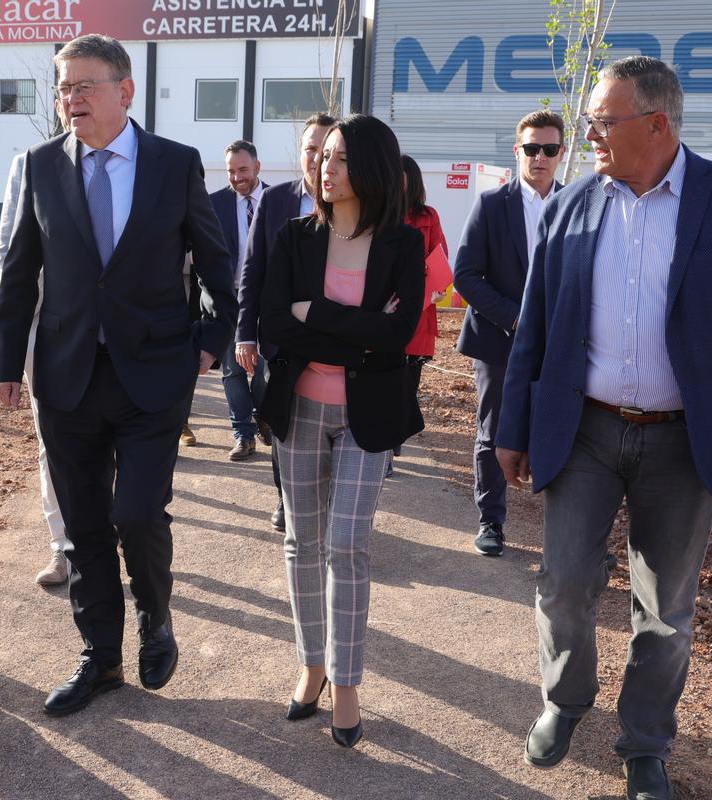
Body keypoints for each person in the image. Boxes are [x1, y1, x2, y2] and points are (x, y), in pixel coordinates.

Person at [496, 57, 712, 800]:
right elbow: (534, 332)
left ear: (658, 124)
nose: (590, 134)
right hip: (584, 432)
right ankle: (564, 701)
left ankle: (645, 742)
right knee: (564, 583)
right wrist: (510, 427)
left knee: (665, 610)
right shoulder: (573, 205)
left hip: (684, 439)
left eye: (604, 122)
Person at [0, 33, 235, 716]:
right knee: (83, 526)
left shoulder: (173, 164)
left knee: (136, 512)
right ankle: (100, 657)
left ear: (124, 91)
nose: (70, 100)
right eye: (63, 88)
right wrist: (9, 362)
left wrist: (212, 339)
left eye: (84, 86)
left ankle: (155, 617)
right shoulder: (39, 166)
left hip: (154, 372)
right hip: (66, 376)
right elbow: (18, 272)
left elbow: (217, 267)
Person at [259, 113, 424, 749]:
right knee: (304, 543)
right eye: (325, 157)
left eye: (343, 159)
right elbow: (278, 324)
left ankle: (347, 685)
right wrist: (358, 329)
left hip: (368, 415)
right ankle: (312, 667)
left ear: (375, 168)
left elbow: (399, 332)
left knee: (348, 543)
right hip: (298, 408)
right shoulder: (294, 237)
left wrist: (320, 316)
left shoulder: (404, 245)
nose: (327, 170)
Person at [453, 109, 565, 557]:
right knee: (494, 430)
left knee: (561, 431)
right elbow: (465, 274)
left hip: (558, 343)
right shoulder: (491, 204)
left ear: (561, 154)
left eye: (550, 149)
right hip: (500, 340)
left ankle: (565, 535)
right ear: (517, 152)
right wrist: (516, 316)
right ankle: (491, 521)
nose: (540, 157)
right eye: (532, 148)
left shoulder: (575, 203)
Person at [236, 112, 335, 531]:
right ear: (301, 152)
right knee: (282, 423)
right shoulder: (276, 201)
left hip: (334, 339)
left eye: (327, 150)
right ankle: (285, 497)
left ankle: (327, 501)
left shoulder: (355, 204)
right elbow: (253, 268)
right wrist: (245, 334)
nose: (317, 158)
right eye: (310, 148)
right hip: (280, 340)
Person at [0, 151, 69, 586]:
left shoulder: (137, 161)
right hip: (47, 331)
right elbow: (10, 251)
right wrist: (14, 343)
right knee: (53, 444)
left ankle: (113, 533)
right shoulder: (29, 165)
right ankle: (63, 547)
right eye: (66, 90)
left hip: (117, 335)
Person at [209, 139, 268, 461]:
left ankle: (262, 413)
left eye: (243, 170)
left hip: (269, 298)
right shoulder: (214, 203)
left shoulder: (278, 200)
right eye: (231, 171)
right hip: (229, 298)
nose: (236, 177)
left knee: (266, 368)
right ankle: (243, 435)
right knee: (232, 370)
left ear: (257, 167)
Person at [391, 155, 444, 465]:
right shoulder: (377, 213)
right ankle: (382, 443)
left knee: (408, 385)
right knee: (383, 379)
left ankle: (395, 437)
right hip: (383, 310)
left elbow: (439, 258)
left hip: (419, 313)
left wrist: (431, 290)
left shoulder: (428, 216)